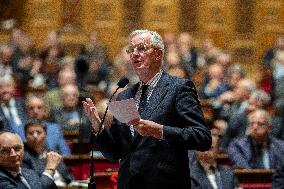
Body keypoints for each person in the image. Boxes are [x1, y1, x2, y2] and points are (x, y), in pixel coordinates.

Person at [83, 29, 212, 189]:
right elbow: (115, 152)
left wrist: (160, 131)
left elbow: (203, 138)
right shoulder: (124, 96)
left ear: (158, 54)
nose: (134, 54)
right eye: (131, 50)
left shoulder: (179, 88)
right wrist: (98, 126)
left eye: (141, 48)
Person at [22, 119, 74, 187]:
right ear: (25, 136)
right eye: (31, 133)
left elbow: (67, 176)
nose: (35, 136)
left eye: (38, 132)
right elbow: (35, 183)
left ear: (45, 134)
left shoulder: (53, 153)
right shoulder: (24, 156)